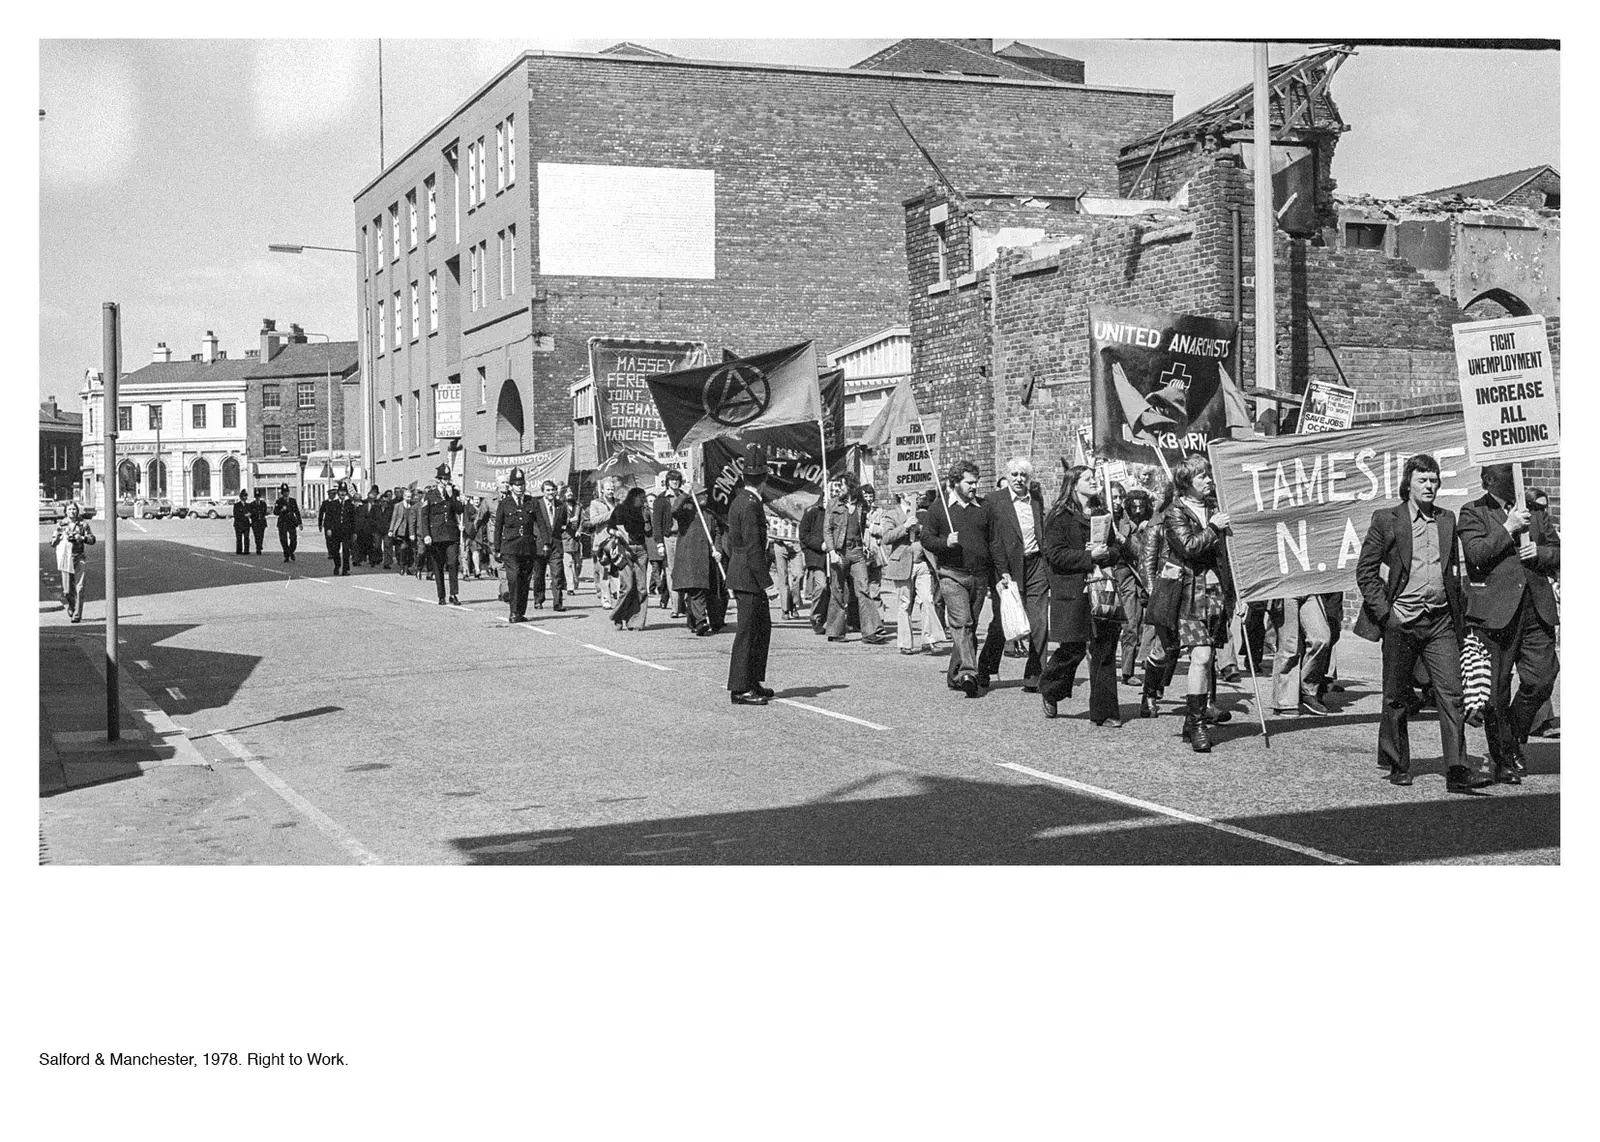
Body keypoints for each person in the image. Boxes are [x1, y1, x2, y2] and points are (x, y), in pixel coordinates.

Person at [1354, 453, 1489, 792]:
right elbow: (1366, 572)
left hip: (1440, 620)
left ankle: (1457, 769)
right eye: (1422, 481)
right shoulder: (1387, 520)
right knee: (1396, 696)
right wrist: (1387, 614)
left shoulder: (1447, 520)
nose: (1430, 486)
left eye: (1434, 480)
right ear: (1408, 484)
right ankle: (1398, 762)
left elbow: (1452, 570)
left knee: (1452, 692)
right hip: (1402, 620)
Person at [1458, 464, 1560, 785]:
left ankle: (1512, 737)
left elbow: (1560, 551)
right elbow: (1475, 555)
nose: (1516, 481)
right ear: (1489, 480)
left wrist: (1539, 552)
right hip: (1496, 613)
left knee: (1542, 678)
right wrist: (1507, 526)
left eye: (1517, 474)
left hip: (1536, 608)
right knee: (1496, 690)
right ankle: (1503, 759)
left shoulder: (1535, 510)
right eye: (1507, 476)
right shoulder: (1472, 511)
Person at [1162, 456, 1235, 753]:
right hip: (1189, 594)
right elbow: (1189, 548)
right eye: (1201, 477)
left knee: (1209, 657)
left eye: (1207, 475)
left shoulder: (1216, 506)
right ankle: (1198, 723)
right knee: (1201, 657)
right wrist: (1215, 528)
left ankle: (1192, 719)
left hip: (1216, 592)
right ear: (1186, 483)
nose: (1207, 480)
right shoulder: (1174, 513)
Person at [1039, 465, 1123, 724]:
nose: (1095, 481)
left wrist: (1105, 552)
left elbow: (1117, 551)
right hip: (1073, 591)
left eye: (1095, 477)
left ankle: (1105, 712)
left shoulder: (1102, 514)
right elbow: (1054, 555)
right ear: (1074, 484)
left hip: (1101, 588)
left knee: (1105, 649)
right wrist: (1088, 556)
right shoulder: (1059, 516)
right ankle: (1051, 689)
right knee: (1073, 649)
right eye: (1088, 478)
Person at [920, 460, 991, 697]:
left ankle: (954, 674)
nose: (974, 487)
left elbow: (994, 542)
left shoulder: (984, 508)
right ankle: (970, 672)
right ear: (955, 483)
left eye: (976, 483)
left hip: (979, 577)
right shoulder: (939, 509)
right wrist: (945, 543)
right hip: (951, 574)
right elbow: (926, 539)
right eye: (969, 483)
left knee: (969, 628)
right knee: (962, 624)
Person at [981, 456, 1049, 691]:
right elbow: (990, 539)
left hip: (1035, 565)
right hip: (1007, 569)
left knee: (1039, 622)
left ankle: (1035, 676)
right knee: (1004, 622)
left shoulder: (1036, 500)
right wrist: (999, 572)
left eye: (1024, 476)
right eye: (1015, 475)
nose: (1019, 479)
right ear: (1007, 476)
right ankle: (985, 668)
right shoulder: (993, 501)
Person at [726, 447, 774, 705]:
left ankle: (753, 678)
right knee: (747, 631)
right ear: (764, 478)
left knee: (760, 628)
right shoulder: (750, 505)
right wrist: (767, 583)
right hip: (749, 576)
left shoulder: (742, 500)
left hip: (744, 573)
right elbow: (754, 548)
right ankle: (740, 687)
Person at [823, 473, 887, 644]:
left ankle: (870, 631)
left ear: (850, 487)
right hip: (839, 552)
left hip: (857, 552)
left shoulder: (861, 504)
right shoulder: (833, 504)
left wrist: (867, 545)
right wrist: (831, 552)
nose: (839, 488)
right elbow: (827, 530)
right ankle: (836, 632)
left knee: (863, 589)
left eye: (842, 485)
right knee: (838, 590)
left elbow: (863, 527)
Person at [672, 488, 728, 635]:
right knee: (697, 589)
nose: (706, 496)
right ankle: (701, 621)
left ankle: (694, 621)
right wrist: (685, 494)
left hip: (707, 558)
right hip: (690, 558)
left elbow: (716, 533)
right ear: (694, 496)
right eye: (702, 494)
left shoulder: (709, 514)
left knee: (701, 590)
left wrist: (718, 551)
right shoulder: (686, 511)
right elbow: (674, 510)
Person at [873, 488, 920, 655]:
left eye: (918, 493)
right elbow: (886, 538)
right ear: (902, 494)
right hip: (902, 563)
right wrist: (905, 526)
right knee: (905, 603)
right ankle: (905, 643)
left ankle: (932, 639)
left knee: (927, 600)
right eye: (912, 492)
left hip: (921, 563)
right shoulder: (891, 514)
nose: (917, 495)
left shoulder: (922, 512)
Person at [1270, 595, 1332, 717]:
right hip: (1284, 589)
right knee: (1289, 646)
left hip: (1309, 586)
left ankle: (1308, 691)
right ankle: (1285, 701)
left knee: (1321, 639)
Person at [1115, 487, 1153, 683]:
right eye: (1134, 506)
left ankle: (1147, 659)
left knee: (1150, 622)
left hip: (1145, 575)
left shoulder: (1151, 522)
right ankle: (1127, 672)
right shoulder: (1121, 522)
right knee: (1130, 623)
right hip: (1126, 574)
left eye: (1141, 506)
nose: (1138, 510)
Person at [495, 469, 537, 622]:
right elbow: (498, 527)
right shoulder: (504, 503)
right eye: (516, 485)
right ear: (511, 487)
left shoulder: (531, 502)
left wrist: (545, 543)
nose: (520, 487)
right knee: (514, 578)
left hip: (527, 547)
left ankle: (520, 611)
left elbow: (541, 524)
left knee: (525, 579)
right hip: (510, 547)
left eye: (522, 484)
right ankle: (513, 612)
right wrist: (497, 549)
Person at [608, 486, 652, 631]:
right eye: (642, 498)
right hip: (625, 549)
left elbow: (648, 532)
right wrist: (616, 532)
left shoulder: (644, 511)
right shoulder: (620, 509)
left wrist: (647, 518)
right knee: (627, 586)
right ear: (633, 498)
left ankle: (636, 621)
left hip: (641, 550)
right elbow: (610, 527)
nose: (644, 500)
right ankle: (618, 615)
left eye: (645, 498)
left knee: (642, 588)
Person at [420, 464, 464, 605]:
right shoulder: (430, 495)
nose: (446, 482)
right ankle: (441, 595)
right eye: (444, 479)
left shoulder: (453, 493)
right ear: (438, 480)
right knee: (438, 565)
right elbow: (424, 516)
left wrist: (452, 497)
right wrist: (426, 534)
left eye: (448, 479)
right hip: (436, 535)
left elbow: (459, 510)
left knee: (453, 563)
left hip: (451, 534)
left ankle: (453, 593)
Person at [52, 502, 95, 623]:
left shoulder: (83, 525)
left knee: (79, 587)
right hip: (66, 557)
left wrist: (82, 538)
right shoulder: (61, 525)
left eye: (74, 509)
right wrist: (57, 539)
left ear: (77, 511)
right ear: (65, 511)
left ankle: (77, 614)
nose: (72, 511)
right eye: (70, 509)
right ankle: (71, 606)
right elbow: (53, 542)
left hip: (79, 557)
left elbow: (92, 539)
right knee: (66, 591)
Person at [653, 470, 687, 613]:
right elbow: (657, 523)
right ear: (667, 482)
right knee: (671, 571)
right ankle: (675, 607)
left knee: (684, 570)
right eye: (672, 480)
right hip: (669, 538)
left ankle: (683, 604)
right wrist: (659, 543)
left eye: (677, 480)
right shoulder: (661, 499)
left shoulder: (684, 497)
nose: (675, 482)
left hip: (683, 536)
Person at [531, 479, 567, 611]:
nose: (551, 492)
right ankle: (538, 600)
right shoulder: (537, 504)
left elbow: (563, 523)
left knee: (557, 574)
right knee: (539, 575)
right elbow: (534, 524)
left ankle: (558, 603)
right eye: (548, 490)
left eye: (552, 490)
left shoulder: (560, 505)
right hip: (539, 545)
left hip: (556, 546)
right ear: (543, 492)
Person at [587, 478, 622, 606]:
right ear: (602, 490)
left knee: (618, 570)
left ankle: (618, 596)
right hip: (603, 542)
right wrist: (610, 514)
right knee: (605, 572)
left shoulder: (618, 502)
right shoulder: (595, 503)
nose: (611, 491)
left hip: (617, 541)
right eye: (608, 489)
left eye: (612, 489)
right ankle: (606, 599)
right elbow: (594, 520)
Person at [798, 494, 830, 634]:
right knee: (822, 585)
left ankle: (828, 619)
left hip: (832, 554)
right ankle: (815, 616)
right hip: (817, 555)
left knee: (832, 588)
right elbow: (804, 535)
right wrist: (819, 545)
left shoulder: (835, 513)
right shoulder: (812, 512)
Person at [318, 483, 357, 575]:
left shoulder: (350, 505)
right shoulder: (332, 504)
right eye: (340, 492)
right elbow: (328, 518)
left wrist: (354, 532)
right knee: (335, 550)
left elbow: (353, 519)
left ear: (346, 493)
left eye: (344, 492)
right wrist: (328, 529)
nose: (342, 494)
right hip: (336, 531)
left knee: (346, 551)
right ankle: (337, 565)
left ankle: (345, 569)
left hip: (347, 531)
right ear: (338, 493)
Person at [560, 488, 584, 595]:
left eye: (571, 492)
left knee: (578, 563)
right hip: (565, 537)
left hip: (576, 539)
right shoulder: (560, 506)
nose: (570, 494)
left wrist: (580, 530)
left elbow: (583, 520)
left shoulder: (579, 506)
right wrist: (569, 521)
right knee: (568, 563)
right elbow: (558, 521)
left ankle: (575, 580)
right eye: (567, 492)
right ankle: (570, 587)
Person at [388, 487, 415, 576]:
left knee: (409, 550)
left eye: (410, 497)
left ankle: (408, 567)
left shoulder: (413, 505)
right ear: (403, 497)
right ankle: (402, 567)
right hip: (401, 530)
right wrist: (391, 530)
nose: (409, 498)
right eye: (407, 497)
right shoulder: (398, 505)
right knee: (402, 549)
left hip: (410, 531)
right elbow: (394, 518)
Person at [272, 483, 302, 562]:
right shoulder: (279, 501)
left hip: (291, 522)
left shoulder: (293, 500)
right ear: (282, 493)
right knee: (283, 540)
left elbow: (297, 512)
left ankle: (290, 551)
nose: (286, 493)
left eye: (287, 491)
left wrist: (300, 523)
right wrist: (281, 510)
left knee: (293, 540)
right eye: (284, 492)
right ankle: (286, 555)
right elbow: (275, 512)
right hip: (283, 522)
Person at [248, 488, 269, 554]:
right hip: (255, 522)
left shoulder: (263, 504)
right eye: (256, 497)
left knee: (261, 535)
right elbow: (250, 513)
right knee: (256, 535)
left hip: (262, 522)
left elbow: (265, 512)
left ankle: (260, 545)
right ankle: (258, 547)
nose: (257, 498)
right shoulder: (252, 504)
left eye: (258, 497)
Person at [232, 489, 252, 554]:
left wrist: (249, 515)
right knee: (239, 538)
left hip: (246, 524)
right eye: (243, 496)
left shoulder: (248, 505)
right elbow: (236, 514)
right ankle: (239, 550)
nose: (245, 497)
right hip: (239, 524)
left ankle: (246, 551)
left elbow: (251, 513)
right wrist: (245, 515)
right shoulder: (237, 505)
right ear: (241, 497)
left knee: (246, 537)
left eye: (246, 496)